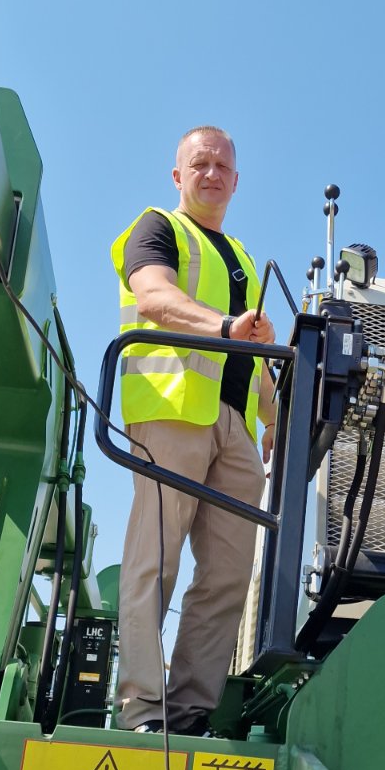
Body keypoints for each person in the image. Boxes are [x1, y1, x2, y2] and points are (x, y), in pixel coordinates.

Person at [111, 126, 276, 734]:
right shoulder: (155, 228)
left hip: (231, 431)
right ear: (177, 176)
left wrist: (274, 419)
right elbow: (153, 297)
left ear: (236, 180)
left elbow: (256, 353)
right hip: (172, 412)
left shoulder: (243, 260)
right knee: (156, 561)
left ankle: (189, 713)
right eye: (198, 164)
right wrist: (229, 326)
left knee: (229, 574)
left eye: (221, 166)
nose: (211, 174)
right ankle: (142, 709)